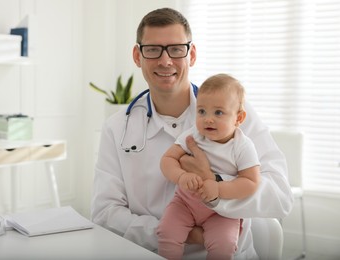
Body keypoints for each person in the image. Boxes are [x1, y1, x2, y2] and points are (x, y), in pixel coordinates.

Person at [91, 7, 293, 259]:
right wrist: (174, 232)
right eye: (153, 50)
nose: (165, 61)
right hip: (153, 252)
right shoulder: (117, 127)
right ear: (137, 55)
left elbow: (280, 197)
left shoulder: (235, 115)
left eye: (176, 49)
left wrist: (214, 182)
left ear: (192, 54)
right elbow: (105, 212)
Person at [157, 73, 260, 260]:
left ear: (239, 118)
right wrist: (181, 176)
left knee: (224, 245)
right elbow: (167, 159)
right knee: (166, 232)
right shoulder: (193, 136)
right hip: (185, 203)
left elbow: (251, 182)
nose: (208, 119)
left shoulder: (242, 146)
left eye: (218, 112)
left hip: (222, 211)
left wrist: (219, 187)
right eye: (202, 111)